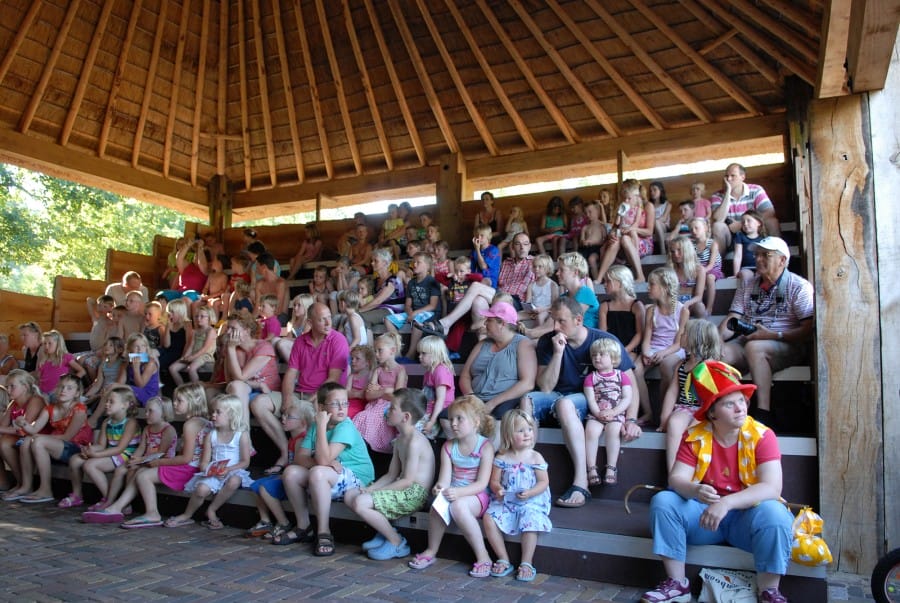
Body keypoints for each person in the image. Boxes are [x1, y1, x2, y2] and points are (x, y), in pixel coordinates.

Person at [642, 360, 792, 603]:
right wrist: (694, 489)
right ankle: (677, 584)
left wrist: (726, 503)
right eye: (729, 404)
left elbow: (772, 488)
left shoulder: (763, 435)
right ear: (712, 412)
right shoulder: (695, 435)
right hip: (705, 519)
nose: (740, 408)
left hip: (746, 520)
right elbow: (677, 479)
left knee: (775, 512)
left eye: (742, 400)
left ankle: (769, 591)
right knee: (664, 501)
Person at [521, 297, 640, 508]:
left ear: (578, 320)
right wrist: (558, 353)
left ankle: (581, 482)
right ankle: (525, 472)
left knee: (565, 404)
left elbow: (630, 384)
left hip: (593, 400)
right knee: (528, 400)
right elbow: (546, 387)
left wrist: (631, 419)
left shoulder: (603, 340)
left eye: (561, 321)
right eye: (553, 320)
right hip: (557, 394)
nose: (556, 327)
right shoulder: (549, 341)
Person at [84, 382, 211, 527]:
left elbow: (186, 458)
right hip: (192, 467)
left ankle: (151, 513)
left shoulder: (190, 425)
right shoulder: (201, 422)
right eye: (175, 400)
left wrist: (158, 462)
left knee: (144, 476)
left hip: (190, 469)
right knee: (141, 471)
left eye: (179, 400)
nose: (175, 403)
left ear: (195, 401)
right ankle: (117, 507)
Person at [272, 382, 375, 555]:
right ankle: (304, 527)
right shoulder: (315, 426)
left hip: (357, 479)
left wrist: (322, 457)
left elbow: (322, 460)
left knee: (318, 472)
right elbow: (299, 458)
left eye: (345, 403)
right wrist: (323, 460)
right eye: (335, 403)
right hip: (330, 475)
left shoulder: (346, 426)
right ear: (321, 407)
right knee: (290, 472)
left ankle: (323, 532)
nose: (342, 408)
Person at [718, 236, 813, 423]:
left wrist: (772, 335)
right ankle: (728, 410)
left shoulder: (799, 287)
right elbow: (733, 319)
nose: (758, 259)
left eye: (765, 255)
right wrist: (717, 340)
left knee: (755, 347)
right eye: (757, 255)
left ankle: (763, 413)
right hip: (748, 340)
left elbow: (808, 329)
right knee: (720, 353)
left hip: (786, 343)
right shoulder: (749, 284)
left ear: (782, 260)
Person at [409, 395, 495, 577]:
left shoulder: (485, 447)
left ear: (476, 422)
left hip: (476, 495)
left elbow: (482, 484)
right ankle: (431, 550)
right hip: (454, 491)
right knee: (436, 506)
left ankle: (483, 556)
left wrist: (459, 492)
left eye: (459, 419)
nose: (453, 423)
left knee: (458, 506)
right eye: (451, 419)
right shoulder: (448, 446)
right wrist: (439, 487)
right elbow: (445, 480)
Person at [345, 388, 436, 560]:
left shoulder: (415, 442)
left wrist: (374, 492)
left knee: (361, 502)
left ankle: (396, 542)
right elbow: (391, 474)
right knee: (351, 495)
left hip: (414, 494)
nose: (387, 410)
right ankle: (385, 532)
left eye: (392, 408)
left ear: (406, 417)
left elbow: (407, 481)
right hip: (402, 487)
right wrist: (370, 489)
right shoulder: (400, 439)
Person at [483, 409, 551, 582]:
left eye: (529, 429)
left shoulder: (535, 457)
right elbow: (494, 481)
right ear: (508, 435)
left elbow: (543, 482)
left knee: (530, 518)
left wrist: (530, 493)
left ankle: (526, 562)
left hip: (531, 499)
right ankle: (503, 558)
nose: (527, 434)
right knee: (489, 517)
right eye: (520, 431)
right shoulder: (502, 457)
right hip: (507, 500)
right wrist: (498, 490)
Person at [166, 395, 252, 530]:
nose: (213, 415)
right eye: (213, 412)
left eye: (218, 412)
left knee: (234, 481)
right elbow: (204, 462)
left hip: (233, 470)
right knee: (201, 490)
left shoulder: (241, 434)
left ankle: (212, 510)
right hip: (215, 471)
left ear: (231, 414)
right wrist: (209, 470)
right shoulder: (211, 435)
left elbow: (245, 462)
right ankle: (187, 515)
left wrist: (228, 470)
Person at [277, 303, 349, 464]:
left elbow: (333, 379)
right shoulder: (300, 341)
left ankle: (308, 460)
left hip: (322, 397)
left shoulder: (338, 340)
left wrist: (309, 399)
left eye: (329, 317)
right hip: (299, 393)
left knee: (306, 412)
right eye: (322, 319)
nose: (328, 323)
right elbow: (291, 373)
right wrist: (286, 399)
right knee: (259, 404)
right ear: (310, 322)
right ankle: (284, 451)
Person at [8, 375, 93, 503]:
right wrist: (24, 423)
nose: (64, 390)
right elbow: (34, 429)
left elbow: (67, 437)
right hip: (57, 445)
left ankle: (45, 489)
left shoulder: (79, 410)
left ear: (77, 393)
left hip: (76, 448)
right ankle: (27, 486)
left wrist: (38, 436)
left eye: (69, 388)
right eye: (61, 387)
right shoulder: (50, 408)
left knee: (38, 441)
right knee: (27, 441)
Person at [59, 385, 141, 509]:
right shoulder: (107, 422)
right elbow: (101, 445)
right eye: (107, 401)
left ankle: (111, 500)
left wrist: (96, 455)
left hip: (125, 455)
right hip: (112, 452)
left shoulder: (131, 423)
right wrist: (89, 450)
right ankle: (77, 495)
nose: (106, 404)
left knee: (90, 465)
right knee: (75, 460)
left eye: (111, 402)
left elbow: (120, 448)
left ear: (124, 405)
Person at [245, 398, 315, 540]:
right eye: (284, 415)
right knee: (255, 485)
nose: (283, 418)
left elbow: (300, 466)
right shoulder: (292, 438)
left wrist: (281, 475)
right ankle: (265, 521)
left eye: (289, 417)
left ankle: (284, 523)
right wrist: (279, 468)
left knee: (265, 488)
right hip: (287, 475)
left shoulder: (302, 440)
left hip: (295, 483)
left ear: (303, 423)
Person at [220, 313, 282, 474]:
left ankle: (282, 451)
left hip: (270, 393)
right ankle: (245, 441)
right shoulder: (235, 350)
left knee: (246, 395)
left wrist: (230, 348)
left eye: (233, 328)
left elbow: (241, 377)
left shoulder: (263, 347)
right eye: (227, 329)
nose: (228, 333)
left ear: (246, 330)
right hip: (250, 391)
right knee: (234, 388)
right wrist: (230, 351)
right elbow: (231, 381)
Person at [658, 319, 722, 471]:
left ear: (696, 339)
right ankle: (673, 474)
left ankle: (695, 473)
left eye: (685, 333)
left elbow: (715, 396)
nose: (680, 335)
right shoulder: (681, 364)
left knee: (695, 429)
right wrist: (664, 418)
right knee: (674, 423)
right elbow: (672, 391)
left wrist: (700, 416)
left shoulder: (710, 366)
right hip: (685, 407)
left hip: (706, 409)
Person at [458, 302, 536, 421]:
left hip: (503, 401)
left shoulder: (523, 344)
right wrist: (470, 396)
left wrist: (492, 403)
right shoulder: (482, 343)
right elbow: (465, 375)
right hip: (475, 399)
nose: (485, 323)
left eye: (489, 320)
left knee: (498, 416)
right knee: (447, 417)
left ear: (502, 324)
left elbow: (527, 383)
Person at [599, 265, 651, 424]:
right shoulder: (605, 306)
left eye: (608, 281)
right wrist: (612, 352)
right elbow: (603, 334)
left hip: (630, 349)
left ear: (620, 283)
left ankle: (644, 412)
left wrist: (624, 350)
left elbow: (640, 333)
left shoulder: (636, 305)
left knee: (629, 370)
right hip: (610, 349)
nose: (604, 284)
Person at [106, 395, 176, 509]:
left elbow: (160, 454)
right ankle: (110, 501)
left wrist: (140, 460)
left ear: (163, 413)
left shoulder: (168, 430)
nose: (146, 414)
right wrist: (133, 458)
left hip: (161, 462)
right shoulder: (147, 429)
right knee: (121, 469)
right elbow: (142, 447)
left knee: (134, 470)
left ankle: (125, 504)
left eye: (150, 411)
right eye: (146, 410)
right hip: (145, 461)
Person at [583, 338, 633, 487]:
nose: (597, 358)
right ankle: (591, 468)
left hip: (616, 413)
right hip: (596, 414)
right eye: (594, 355)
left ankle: (611, 467)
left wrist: (614, 411)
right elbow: (591, 399)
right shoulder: (591, 378)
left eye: (602, 354)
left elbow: (627, 398)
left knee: (613, 430)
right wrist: (598, 413)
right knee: (591, 431)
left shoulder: (622, 376)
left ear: (613, 358)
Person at [353, 332, 407, 454]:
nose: (376, 354)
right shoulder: (378, 370)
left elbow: (397, 396)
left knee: (374, 417)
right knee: (362, 416)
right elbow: (368, 395)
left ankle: (379, 448)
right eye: (375, 351)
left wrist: (378, 391)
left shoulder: (400, 370)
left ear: (392, 350)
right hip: (374, 404)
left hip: (390, 406)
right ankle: (363, 448)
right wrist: (385, 391)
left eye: (380, 350)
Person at [642, 268, 690, 403]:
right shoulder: (651, 310)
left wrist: (663, 353)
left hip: (673, 349)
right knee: (635, 369)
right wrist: (646, 353)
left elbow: (679, 343)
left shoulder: (683, 311)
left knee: (666, 365)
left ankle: (666, 407)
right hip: (654, 348)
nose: (648, 288)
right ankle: (647, 410)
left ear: (665, 287)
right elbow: (647, 339)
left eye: (652, 284)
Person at [710, 163, 779, 252]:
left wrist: (741, 224)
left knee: (772, 221)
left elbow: (769, 212)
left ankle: (776, 254)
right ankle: (719, 260)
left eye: (733, 176)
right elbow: (718, 219)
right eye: (726, 176)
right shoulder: (717, 195)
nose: (729, 179)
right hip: (730, 235)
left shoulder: (756, 190)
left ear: (742, 177)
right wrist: (727, 192)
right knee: (717, 226)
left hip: (754, 232)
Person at [596, 179, 655, 282]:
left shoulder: (647, 206)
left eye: (628, 197)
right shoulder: (623, 207)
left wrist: (632, 229)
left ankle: (639, 275)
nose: (625, 200)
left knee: (625, 239)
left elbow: (649, 231)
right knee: (615, 242)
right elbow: (615, 227)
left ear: (636, 195)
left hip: (641, 242)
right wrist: (612, 235)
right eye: (623, 196)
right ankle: (600, 278)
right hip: (623, 241)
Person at [0, 370, 46, 491]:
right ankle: (8, 481)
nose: (8, 390)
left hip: (36, 436)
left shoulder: (35, 400)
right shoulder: (13, 403)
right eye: (7, 387)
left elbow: (25, 429)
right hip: (21, 436)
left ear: (25, 387)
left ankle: (23, 484)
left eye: (12, 386)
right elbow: (3, 425)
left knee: (4, 443)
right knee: (3, 441)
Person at [415, 336, 455, 439]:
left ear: (435, 354)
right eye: (419, 353)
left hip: (440, 413)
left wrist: (432, 421)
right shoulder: (429, 372)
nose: (420, 356)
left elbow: (441, 400)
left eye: (423, 353)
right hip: (428, 411)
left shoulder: (441, 370)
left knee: (414, 432)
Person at [358, 248, 405, 329]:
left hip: (392, 310)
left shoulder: (392, 280)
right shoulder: (376, 281)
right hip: (379, 308)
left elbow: (378, 301)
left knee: (358, 317)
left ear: (385, 263)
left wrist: (359, 310)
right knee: (353, 318)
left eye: (376, 261)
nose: (372, 263)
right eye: (372, 261)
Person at [169, 306, 217, 385]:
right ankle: (182, 388)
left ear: (209, 317)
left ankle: (196, 389)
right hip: (194, 354)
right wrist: (186, 356)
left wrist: (193, 357)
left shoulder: (210, 331)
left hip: (205, 356)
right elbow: (191, 346)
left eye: (202, 316)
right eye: (197, 316)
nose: (198, 318)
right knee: (172, 368)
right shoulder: (195, 331)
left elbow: (205, 348)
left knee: (191, 369)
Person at [36, 330, 85, 397]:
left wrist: (70, 383)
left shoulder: (65, 357)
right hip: (43, 393)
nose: (46, 346)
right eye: (44, 343)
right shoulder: (43, 361)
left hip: (58, 393)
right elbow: (38, 378)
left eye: (50, 343)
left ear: (58, 344)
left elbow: (82, 371)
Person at [667, 236, 706, 318]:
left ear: (687, 250)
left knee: (700, 307)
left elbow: (699, 296)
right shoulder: (670, 270)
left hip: (691, 304)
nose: (676, 254)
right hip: (674, 304)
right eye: (673, 251)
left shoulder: (699, 270)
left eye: (679, 250)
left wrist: (686, 304)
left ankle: (702, 326)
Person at [117, 333, 159, 407]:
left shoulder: (150, 363)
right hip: (132, 391)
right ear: (130, 349)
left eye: (143, 346)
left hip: (148, 394)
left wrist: (136, 368)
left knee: (121, 391)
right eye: (136, 346)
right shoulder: (125, 364)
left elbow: (140, 385)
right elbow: (119, 383)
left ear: (146, 348)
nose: (140, 350)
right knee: (114, 390)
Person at [690, 217, 722, 314]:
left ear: (705, 228)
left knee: (710, 278)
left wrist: (702, 272)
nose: (693, 231)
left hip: (712, 269)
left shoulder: (712, 243)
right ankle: (696, 305)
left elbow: (711, 264)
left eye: (696, 228)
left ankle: (709, 307)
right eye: (691, 229)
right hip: (699, 269)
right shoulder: (691, 245)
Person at [522, 254, 558, 329]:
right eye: (535, 266)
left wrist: (542, 309)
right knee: (516, 315)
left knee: (540, 317)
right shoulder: (531, 285)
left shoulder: (552, 285)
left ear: (547, 268)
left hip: (547, 310)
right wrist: (530, 310)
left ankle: (538, 334)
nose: (536, 269)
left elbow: (555, 305)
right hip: (533, 311)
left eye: (540, 266)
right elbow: (528, 302)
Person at [732, 210, 768, 278]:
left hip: (760, 267)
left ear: (758, 223)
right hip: (745, 268)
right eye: (743, 222)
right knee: (746, 275)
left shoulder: (764, 239)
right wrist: (736, 274)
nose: (745, 224)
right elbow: (738, 256)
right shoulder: (740, 236)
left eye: (748, 221)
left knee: (761, 276)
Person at [347, 344, 375, 418]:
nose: (353, 361)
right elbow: (346, 393)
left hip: (364, 405)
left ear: (367, 362)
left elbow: (366, 395)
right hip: (349, 403)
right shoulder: (351, 376)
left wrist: (353, 393)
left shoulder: (371, 375)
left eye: (357, 358)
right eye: (352, 358)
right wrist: (359, 394)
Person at [650, 181, 671, 254]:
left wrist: (653, 222)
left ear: (661, 191)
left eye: (654, 190)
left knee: (657, 222)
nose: (652, 192)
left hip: (664, 226)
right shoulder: (649, 205)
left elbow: (664, 218)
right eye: (651, 191)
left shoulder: (667, 204)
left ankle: (663, 249)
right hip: (651, 227)